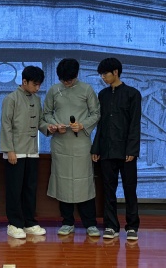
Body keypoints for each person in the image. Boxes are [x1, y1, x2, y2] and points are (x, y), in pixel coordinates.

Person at [42, 58, 101, 237]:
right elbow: (46, 114)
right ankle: (67, 222)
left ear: (76, 75)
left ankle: (90, 223)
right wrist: (54, 125)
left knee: (84, 182)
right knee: (64, 183)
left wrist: (83, 125)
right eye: (63, 80)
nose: (66, 83)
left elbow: (96, 113)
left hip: (81, 142)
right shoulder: (54, 90)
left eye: (69, 80)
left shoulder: (87, 90)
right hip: (61, 143)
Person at [91, 57, 142, 241]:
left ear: (116, 72)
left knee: (130, 190)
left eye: (105, 74)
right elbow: (100, 125)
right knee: (108, 190)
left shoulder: (132, 94)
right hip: (106, 150)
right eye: (101, 74)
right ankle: (111, 226)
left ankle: (132, 227)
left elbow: (135, 124)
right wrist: (96, 148)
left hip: (126, 151)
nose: (103, 77)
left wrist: (132, 150)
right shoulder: (102, 95)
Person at [0, 65, 47, 239]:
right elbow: (6, 125)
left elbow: (40, 122)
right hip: (15, 152)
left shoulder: (37, 99)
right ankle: (14, 224)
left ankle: (29, 222)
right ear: (24, 81)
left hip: (32, 151)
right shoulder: (11, 98)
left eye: (39, 85)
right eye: (35, 84)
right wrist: (10, 150)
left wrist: (50, 128)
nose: (37, 88)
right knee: (14, 189)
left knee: (30, 188)